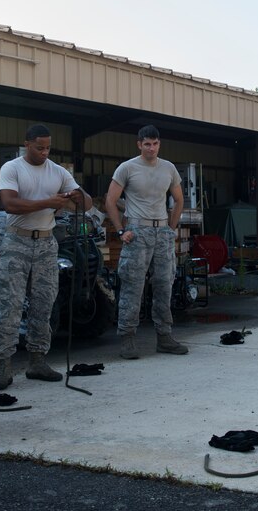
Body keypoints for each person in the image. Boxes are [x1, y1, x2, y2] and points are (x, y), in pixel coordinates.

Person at [0, 124, 92, 389]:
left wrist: (78, 196)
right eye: (39, 147)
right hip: (16, 239)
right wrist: (48, 202)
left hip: (46, 243)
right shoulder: (12, 168)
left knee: (44, 303)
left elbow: (88, 203)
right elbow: (9, 203)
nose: (44, 152)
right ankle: (3, 364)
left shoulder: (57, 171)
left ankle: (37, 360)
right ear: (26, 144)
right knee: (10, 305)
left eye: (48, 147)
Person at [105, 125, 187, 360]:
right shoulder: (127, 168)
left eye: (155, 144)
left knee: (164, 284)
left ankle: (164, 336)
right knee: (133, 285)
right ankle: (128, 338)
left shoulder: (169, 168)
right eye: (147, 144)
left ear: (159, 144)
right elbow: (111, 201)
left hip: (162, 231)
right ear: (139, 144)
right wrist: (121, 230)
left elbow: (179, 199)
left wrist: (171, 229)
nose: (151, 148)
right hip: (137, 231)